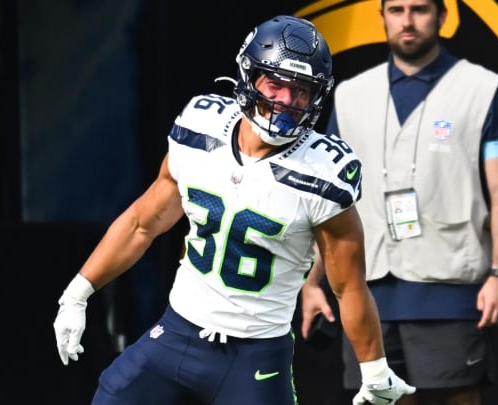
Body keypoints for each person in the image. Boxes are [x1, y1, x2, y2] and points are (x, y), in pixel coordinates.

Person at [53, 15, 415, 405]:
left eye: (301, 91)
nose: (286, 102)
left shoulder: (323, 172)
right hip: (177, 333)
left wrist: (375, 371)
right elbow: (143, 223)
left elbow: (348, 285)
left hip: (255, 358)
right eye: (275, 84)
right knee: (111, 396)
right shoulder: (200, 127)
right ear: (249, 75)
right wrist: (77, 294)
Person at [299, 0, 498, 404]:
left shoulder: (483, 89)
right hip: (366, 294)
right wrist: (310, 283)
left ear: (442, 17)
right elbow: (330, 199)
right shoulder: (349, 96)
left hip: (451, 286)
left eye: (419, 9)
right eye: (396, 9)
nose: (407, 20)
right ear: (381, 17)